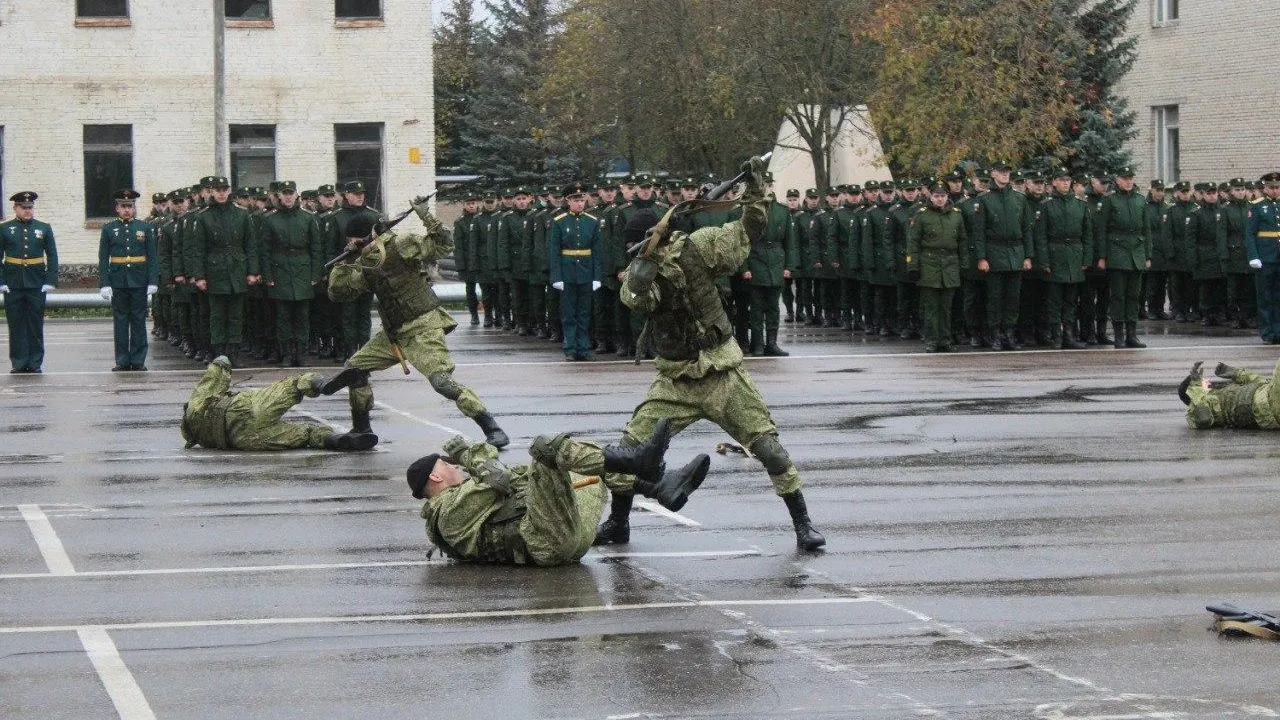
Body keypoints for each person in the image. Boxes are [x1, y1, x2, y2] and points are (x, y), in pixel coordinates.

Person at [598, 156, 826, 551]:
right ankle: (618, 523)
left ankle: (803, 524)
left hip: (722, 373)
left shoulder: (700, 247)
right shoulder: (639, 271)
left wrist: (755, 191)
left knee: (769, 449)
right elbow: (636, 298)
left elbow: (749, 230)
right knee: (626, 454)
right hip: (676, 381)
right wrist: (646, 256)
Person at [328, 202, 511, 449]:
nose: (352, 245)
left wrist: (427, 215)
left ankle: (491, 427)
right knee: (354, 370)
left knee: (442, 382)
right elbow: (338, 293)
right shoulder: (363, 262)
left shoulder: (401, 245)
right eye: (349, 242)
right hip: (394, 333)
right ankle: (361, 430)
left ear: (367, 235)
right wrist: (345, 262)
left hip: (422, 326)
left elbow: (444, 244)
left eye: (354, 240)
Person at [409, 418, 710, 566]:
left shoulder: (460, 500)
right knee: (546, 447)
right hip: (545, 542)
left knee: (585, 463)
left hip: (569, 536)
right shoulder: (447, 513)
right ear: (436, 476)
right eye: (448, 464)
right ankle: (643, 466)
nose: (456, 467)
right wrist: (467, 454)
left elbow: (515, 477)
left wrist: (476, 461)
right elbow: (501, 480)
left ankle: (659, 488)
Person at [180, 355, 372, 451]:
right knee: (295, 384)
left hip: (244, 440)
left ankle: (337, 440)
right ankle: (324, 385)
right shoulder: (196, 405)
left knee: (307, 433)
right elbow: (220, 364)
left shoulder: (202, 440)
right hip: (245, 409)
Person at [188, 175, 261, 366]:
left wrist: (252, 271)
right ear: (212, 192)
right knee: (217, 315)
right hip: (215, 271)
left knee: (236, 316)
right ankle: (219, 355)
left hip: (237, 269)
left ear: (229, 191)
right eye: (217, 190)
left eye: (224, 190)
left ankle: (233, 354)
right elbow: (198, 249)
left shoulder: (242, 214)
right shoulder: (203, 216)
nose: (221, 193)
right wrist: (200, 276)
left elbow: (250, 245)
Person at [261, 180, 325, 367]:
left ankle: (302, 353)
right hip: (279, 270)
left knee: (302, 317)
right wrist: (268, 275)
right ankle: (287, 354)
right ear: (279, 196)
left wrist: (315, 275)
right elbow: (264, 250)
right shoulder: (270, 219)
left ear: (296, 195)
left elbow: (316, 249)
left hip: (303, 270)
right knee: (283, 317)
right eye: (285, 193)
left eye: (291, 193)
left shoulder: (308, 218)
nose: (288, 197)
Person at [97, 189, 159, 371]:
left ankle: (138, 360)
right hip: (118, 281)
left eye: (130, 206)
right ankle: (122, 360)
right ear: (117, 208)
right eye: (123, 206)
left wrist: (153, 280)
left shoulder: (145, 228)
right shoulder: (109, 229)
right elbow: (103, 258)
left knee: (139, 320)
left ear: (134, 208)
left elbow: (152, 257)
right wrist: (105, 283)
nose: (126, 210)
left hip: (139, 280)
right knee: (121, 322)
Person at [1035, 168, 1093, 349]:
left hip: (1075, 256)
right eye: (1061, 180)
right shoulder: (1046, 205)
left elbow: (1088, 235)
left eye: (1068, 180)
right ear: (1054, 182)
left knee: (1070, 300)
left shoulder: (1080, 205)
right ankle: (1056, 336)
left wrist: (1086, 259)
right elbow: (1041, 236)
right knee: (1054, 300)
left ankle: (1069, 335)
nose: (1065, 183)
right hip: (1055, 255)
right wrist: (1044, 261)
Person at [1, 191, 58, 373]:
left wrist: (50, 279)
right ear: (15, 208)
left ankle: (35, 363)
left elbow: (52, 255)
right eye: (23, 208)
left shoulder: (44, 228)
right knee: (16, 324)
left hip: (36, 282)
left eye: (30, 207)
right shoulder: (4, 229)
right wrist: (1, 280)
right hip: (13, 283)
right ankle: (19, 362)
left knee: (35, 324)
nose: (27, 211)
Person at [906, 181, 967, 352]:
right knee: (931, 307)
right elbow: (913, 243)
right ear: (930, 196)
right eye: (936, 196)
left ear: (948, 197)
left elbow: (962, 241)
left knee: (946, 307)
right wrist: (913, 266)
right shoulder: (921, 215)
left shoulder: (956, 215)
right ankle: (932, 340)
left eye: (943, 196)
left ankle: (946, 340)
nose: (940, 199)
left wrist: (964, 264)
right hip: (929, 264)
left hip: (950, 264)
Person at [1097, 167, 1150, 349]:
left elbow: (1146, 230)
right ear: (1117, 181)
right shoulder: (1110, 200)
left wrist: (1147, 255)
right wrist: (1103, 256)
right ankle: (1119, 334)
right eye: (1124, 178)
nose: (1128, 182)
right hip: (1117, 252)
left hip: (1136, 252)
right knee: (1118, 296)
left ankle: (1132, 335)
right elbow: (1102, 230)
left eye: (1130, 178)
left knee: (1134, 296)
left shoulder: (1140, 200)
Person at [549, 182, 602, 362]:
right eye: (575, 200)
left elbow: (597, 251)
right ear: (568, 201)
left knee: (585, 313)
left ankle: (583, 348)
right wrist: (557, 276)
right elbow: (554, 251)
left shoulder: (592, 222)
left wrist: (597, 276)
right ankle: (570, 348)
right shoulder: (559, 222)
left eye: (581, 199)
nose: (579, 203)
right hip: (567, 272)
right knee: (569, 313)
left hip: (586, 273)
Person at [1180, 360, 1280, 430]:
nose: (1207, 380)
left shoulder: (1220, 392)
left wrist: (1237, 373)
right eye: (1202, 381)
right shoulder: (1200, 404)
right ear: (1192, 389)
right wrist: (1196, 389)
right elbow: (1204, 420)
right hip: (1265, 406)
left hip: (1267, 399)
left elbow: (1263, 382)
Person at [1244, 172, 1280, 344]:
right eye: (1271, 188)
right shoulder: (1257, 206)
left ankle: (1278, 330)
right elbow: (1250, 234)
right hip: (1265, 257)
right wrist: (1253, 256)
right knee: (1265, 296)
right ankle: (1267, 332)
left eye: (1277, 187)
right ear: (1265, 188)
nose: (1275, 191)